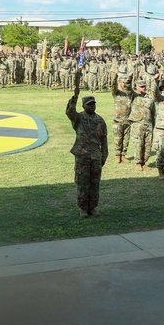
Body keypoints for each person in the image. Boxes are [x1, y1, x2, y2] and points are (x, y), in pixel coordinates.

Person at [67, 71, 108, 218]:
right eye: (89, 105)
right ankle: (83, 208)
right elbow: (69, 112)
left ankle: (93, 208)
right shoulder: (78, 118)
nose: (92, 107)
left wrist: (104, 156)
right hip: (82, 155)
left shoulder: (100, 120)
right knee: (82, 183)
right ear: (84, 106)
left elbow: (104, 140)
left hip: (96, 156)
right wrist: (75, 97)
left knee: (94, 183)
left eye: (93, 104)